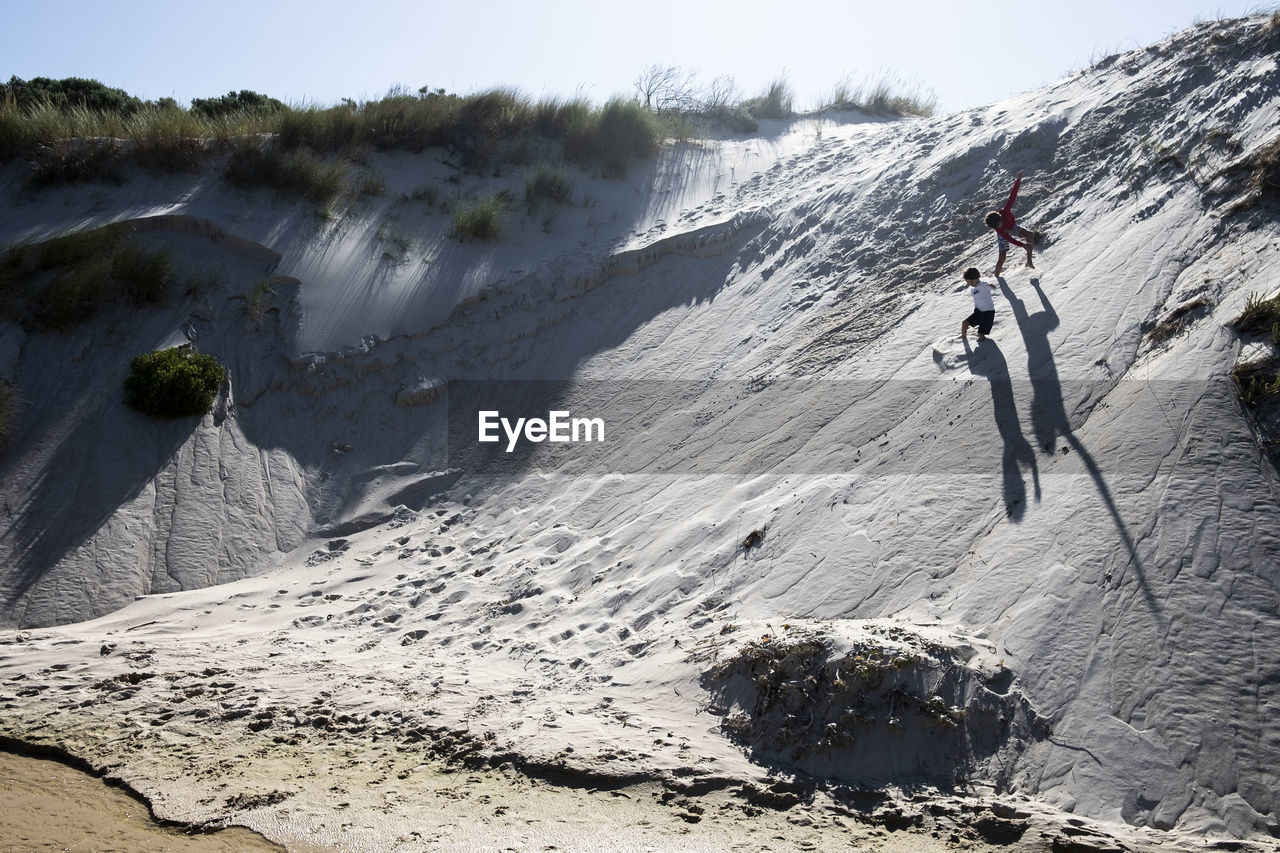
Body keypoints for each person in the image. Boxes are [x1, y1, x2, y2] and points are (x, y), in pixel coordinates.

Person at [985, 171, 1036, 276]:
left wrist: (1018, 180)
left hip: (1012, 227)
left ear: (1000, 217)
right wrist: (1022, 245)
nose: (998, 227)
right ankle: (997, 276)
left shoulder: (1006, 211)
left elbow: (1013, 196)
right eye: (996, 228)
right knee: (1002, 257)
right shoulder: (999, 229)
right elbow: (1009, 239)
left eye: (998, 225)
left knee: (1029, 234)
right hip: (1005, 233)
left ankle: (1029, 261)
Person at [960, 267, 996, 341]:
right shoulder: (974, 289)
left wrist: (991, 286)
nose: (970, 284)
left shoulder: (984, 285)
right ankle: (962, 337)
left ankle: (984, 347)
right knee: (964, 323)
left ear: (978, 277)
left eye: (972, 282)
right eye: (968, 283)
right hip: (978, 311)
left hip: (988, 313)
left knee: (981, 334)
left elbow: (992, 287)